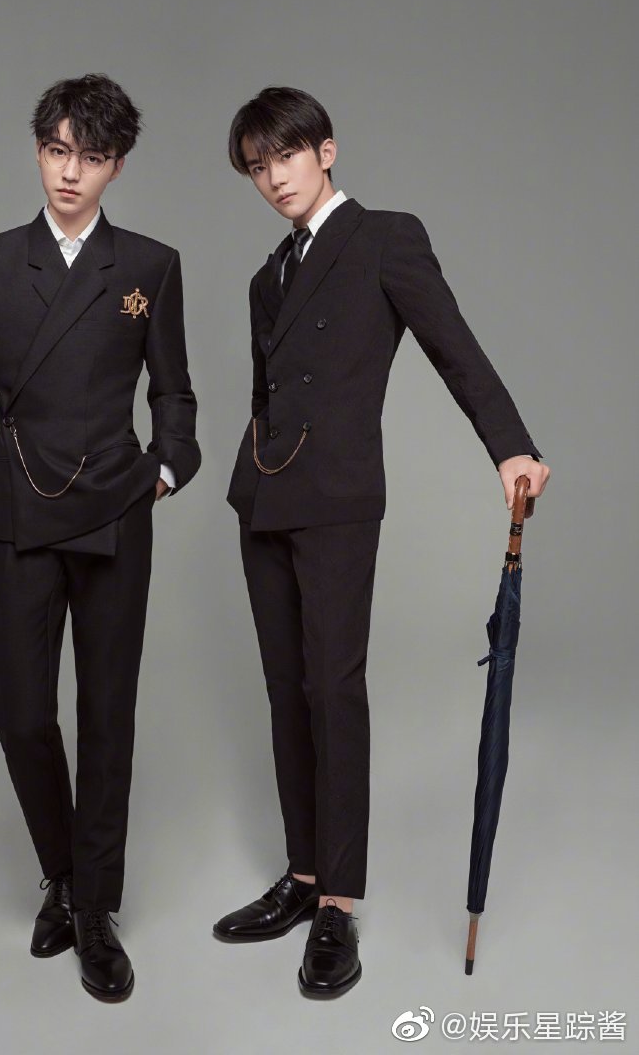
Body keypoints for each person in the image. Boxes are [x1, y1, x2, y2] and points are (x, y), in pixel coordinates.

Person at [215, 86, 550, 997]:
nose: (274, 178)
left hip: (337, 500)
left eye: (286, 155)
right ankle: (303, 874)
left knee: (334, 689)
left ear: (326, 149)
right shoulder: (267, 277)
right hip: (263, 497)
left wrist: (510, 446)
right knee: (286, 692)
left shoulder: (385, 238)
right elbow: (268, 395)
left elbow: (454, 347)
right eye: (257, 167)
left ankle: (339, 904)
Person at [0, 73, 200, 1003]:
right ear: (39, 152)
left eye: (92, 158)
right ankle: (64, 873)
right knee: (20, 713)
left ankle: (94, 909)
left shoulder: (150, 265)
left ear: (118, 167)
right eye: (58, 151)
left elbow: (174, 392)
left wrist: (166, 468)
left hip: (115, 510)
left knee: (107, 716)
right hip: (21, 507)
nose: (71, 173)